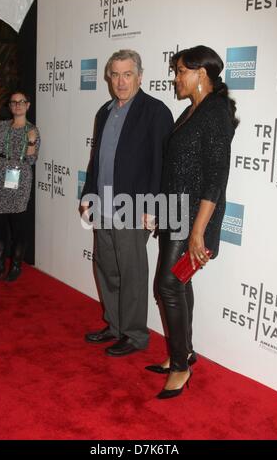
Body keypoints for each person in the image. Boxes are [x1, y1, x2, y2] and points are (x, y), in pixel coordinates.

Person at [146, 45, 239, 399]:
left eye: (180, 71)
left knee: (167, 285)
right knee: (179, 284)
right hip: (174, 211)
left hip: (192, 218)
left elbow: (216, 179)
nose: (175, 78)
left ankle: (181, 367)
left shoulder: (214, 113)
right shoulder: (191, 111)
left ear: (201, 73)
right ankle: (183, 353)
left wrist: (199, 230)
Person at [81, 49, 174, 357]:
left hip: (134, 207)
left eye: (127, 74)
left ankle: (134, 334)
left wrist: (153, 206)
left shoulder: (155, 111)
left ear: (140, 76)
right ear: (109, 77)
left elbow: (162, 164)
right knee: (106, 267)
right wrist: (87, 195)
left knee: (131, 271)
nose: (120, 81)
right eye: (115, 75)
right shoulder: (104, 111)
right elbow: (96, 161)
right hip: (103, 204)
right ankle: (115, 325)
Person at [0, 91, 40, 281]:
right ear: (10, 106)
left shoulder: (32, 130)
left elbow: (31, 160)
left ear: (28, 105)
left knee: (18, 227)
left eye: (21, 102)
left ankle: (16, 266)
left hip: (20, 180)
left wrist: (31, 140)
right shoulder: (1, 127)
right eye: (13, 102)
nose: (17, 105)